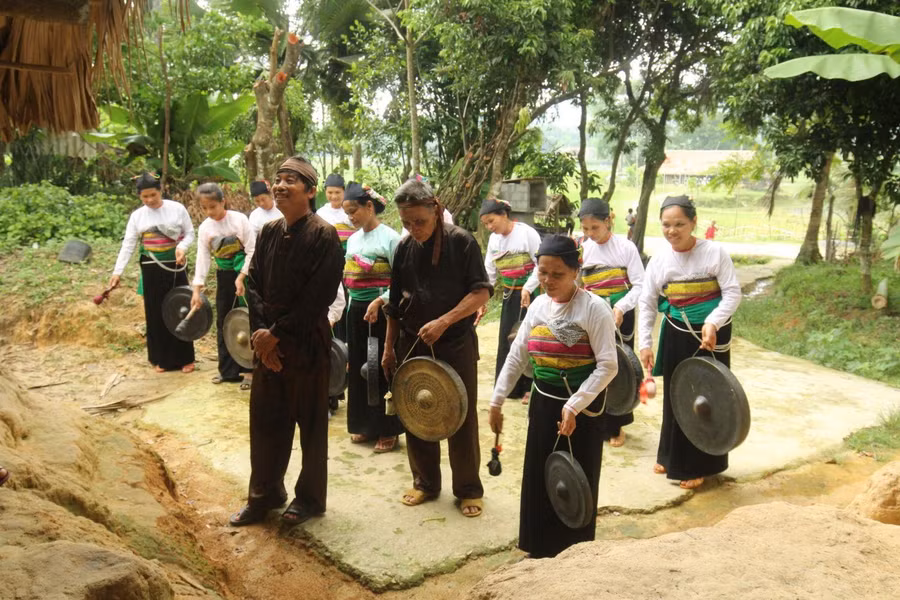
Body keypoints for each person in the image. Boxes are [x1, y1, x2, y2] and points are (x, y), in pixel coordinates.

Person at [229, 156, 343, 527]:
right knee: (265, 421)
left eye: (290, 180)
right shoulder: (268, 232)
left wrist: (275, 334)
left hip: (307, 341)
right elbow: (254, 285)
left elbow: (319, 296)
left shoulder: (324, 235)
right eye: (277, 179)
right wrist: (263, 338)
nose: (279, 185)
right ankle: (264, 495)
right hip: (268, 344)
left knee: (310, 425)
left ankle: (309, 499)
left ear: (310, 191)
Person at [489, 235, 617, 559]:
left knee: (576, 479)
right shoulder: (537, 307)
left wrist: (574, 405)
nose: (547, 281)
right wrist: (496, 400)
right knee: (540, 474)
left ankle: (574, 554)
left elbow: (608, 366)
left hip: (582, 408)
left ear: (576, 271)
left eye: (557, 274)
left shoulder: (595, 309)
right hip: (544, 403)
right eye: (542, 273)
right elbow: (517, 356)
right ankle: (538, 549)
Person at [383, 178, 491, 518]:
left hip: (455, 342)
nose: (414, 229)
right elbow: (394, 304)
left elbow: (481, 293)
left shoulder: (462, 242)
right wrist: (388, 348)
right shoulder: (404, 248)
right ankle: (425, 483)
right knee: (416, 410)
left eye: (420, 221)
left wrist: (445, 321)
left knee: (461, 414)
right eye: (406, 223)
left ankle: (468, 489)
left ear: (436, 209)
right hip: (412, 341)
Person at [638, 195, 741, 490]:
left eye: (679, 224)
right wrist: (645, 343)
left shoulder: (715, 253)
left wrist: (713, 322)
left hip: (711, 336)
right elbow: (647, 302)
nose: (672, 231)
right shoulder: (660, 260)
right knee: (676, 395)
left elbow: (732, 293)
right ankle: (670, 456)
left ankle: (701, 465)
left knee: (706, 398)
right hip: (676, 332)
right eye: (666, 225)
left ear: (694, 222)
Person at [338, 183, 405, 452]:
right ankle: (364, 425)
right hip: (356, 310)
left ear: (369, 207)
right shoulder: (353, 240)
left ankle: (388, 429)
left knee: (382, 367)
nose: (350, 217)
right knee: (358, 366)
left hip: (382, 312)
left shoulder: (391, 239)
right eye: (347, 213)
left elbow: (401, 281)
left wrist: (380, 301)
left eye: (353, 211)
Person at [109, 172, 195, 373]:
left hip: (175, 265)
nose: (149, 200)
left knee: (180, 309)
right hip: (151, 268)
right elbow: (128, 245)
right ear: (139, 196)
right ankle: (161, 359)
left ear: (161, 190)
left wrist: (182, 247)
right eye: (144, 196)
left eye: (153, 195)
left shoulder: (177, 209)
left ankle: (186, 358)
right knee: (156, 312)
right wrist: (117, 272)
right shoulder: (137, 216)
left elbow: (190, 233)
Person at [578, 198, 644, 447]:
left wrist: (621, 306)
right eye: (585, 228)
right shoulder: (584, 249)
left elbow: (640, 285)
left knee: (620, 368)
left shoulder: (626, 248)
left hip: (620, 315)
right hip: (593, 315)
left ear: (608, 221)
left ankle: (617, 425)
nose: (590, 233)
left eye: (595, 227)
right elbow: (579, 284)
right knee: (591, 366)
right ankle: (593, 420)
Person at [476, 196, 541, 403]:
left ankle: (531, 387)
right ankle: (510, 386)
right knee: (508, 338)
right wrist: (482, 299)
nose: (489, 227)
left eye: (491, 221)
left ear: (504, 215)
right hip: (509, 295)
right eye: (485, 224)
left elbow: (541, 264)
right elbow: (489, 272)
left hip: (531, 295)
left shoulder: (527, 234)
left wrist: (528, 288)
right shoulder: (494, 241)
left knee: (529, 338)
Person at [190, 182, 256, 387]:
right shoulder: (205, 228)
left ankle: (250, 370)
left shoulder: (239, 220)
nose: (210, 212)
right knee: (225, 321)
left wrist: (242, 276)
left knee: (248, 318)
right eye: (205, 208)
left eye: (213, 206)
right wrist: (196, 289)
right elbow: (203, 258)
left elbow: (252, 250)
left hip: (246, 273)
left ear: (223, 202)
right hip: (224, 276)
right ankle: (227, 371)